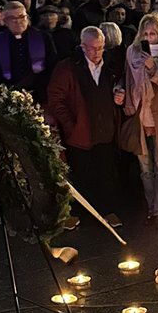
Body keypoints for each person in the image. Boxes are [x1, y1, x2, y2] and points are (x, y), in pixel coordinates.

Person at [47, 26, 122, 227]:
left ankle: (107, 211)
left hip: (105, 130)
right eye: (91, 48)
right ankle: (81, 214)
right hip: (80, 134)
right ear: (82, 46)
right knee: (82, 174)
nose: (96, 53)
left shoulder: (110, 67)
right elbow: (56, 99)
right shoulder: (68, 67)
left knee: (106, 174)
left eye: (100, 48)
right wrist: (71, 124)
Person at [117, 13, 158, 229]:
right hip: (140, 117)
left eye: (153, 33)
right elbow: (126, 79)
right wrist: (120, 91)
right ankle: (151, 208)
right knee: (145, 169)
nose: (149, 37)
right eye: (145, 33)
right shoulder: (132, 54)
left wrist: (154, 69)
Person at [0, 1, 55, 101]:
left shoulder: (43, 37)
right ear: (4, 20)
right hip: (9, 94)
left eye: (22, 17)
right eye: (13, 18)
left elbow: (52, 65)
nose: (18, 21)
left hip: (39, 92)